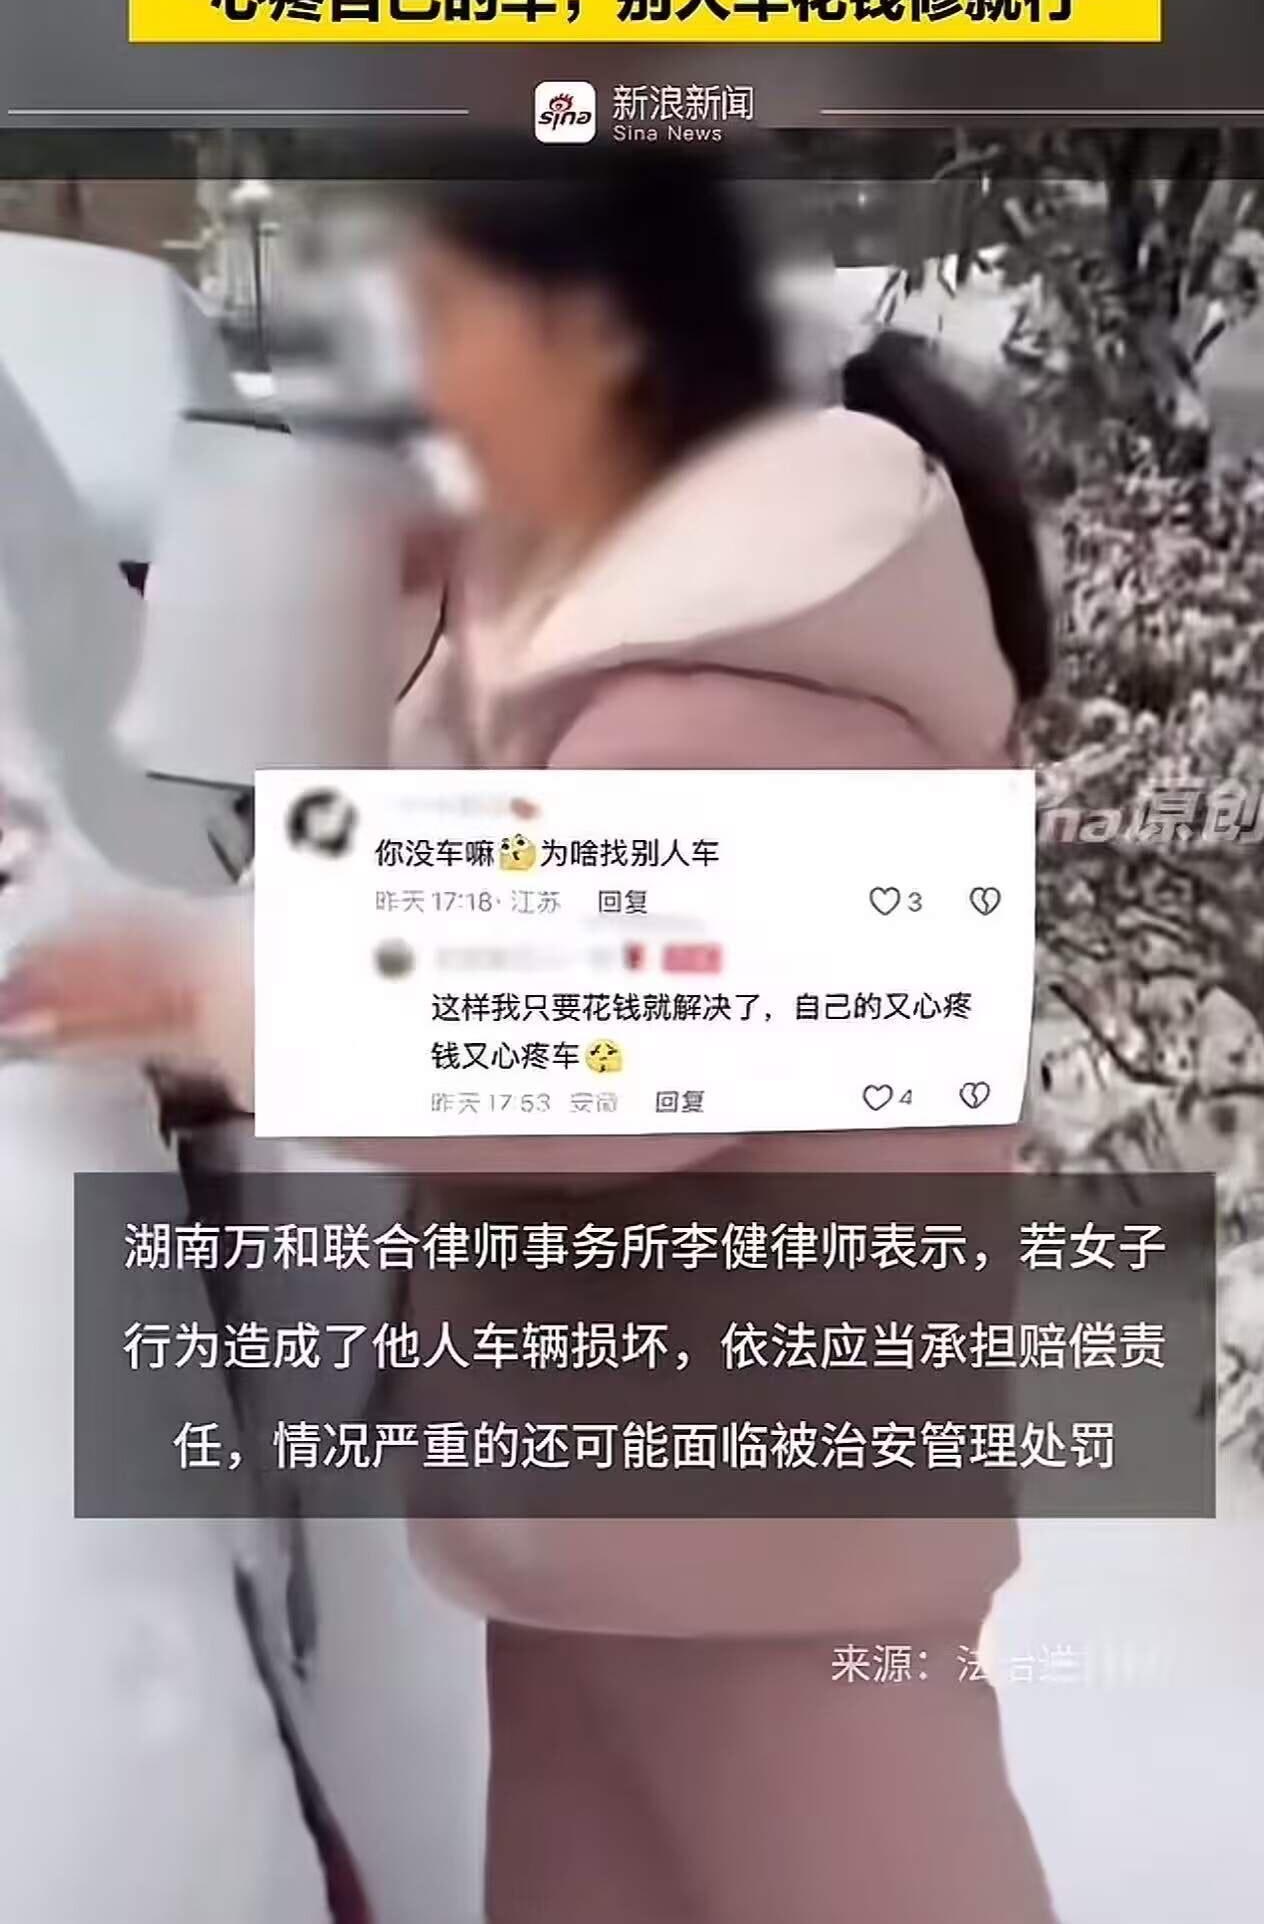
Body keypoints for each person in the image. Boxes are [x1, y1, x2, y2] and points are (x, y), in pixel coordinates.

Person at [0, 156, 1057, 1924]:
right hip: (653, 1530)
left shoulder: (748, 681)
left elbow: (591, 1013)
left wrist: (209, 991)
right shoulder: (682, 657)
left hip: (763, 1557)